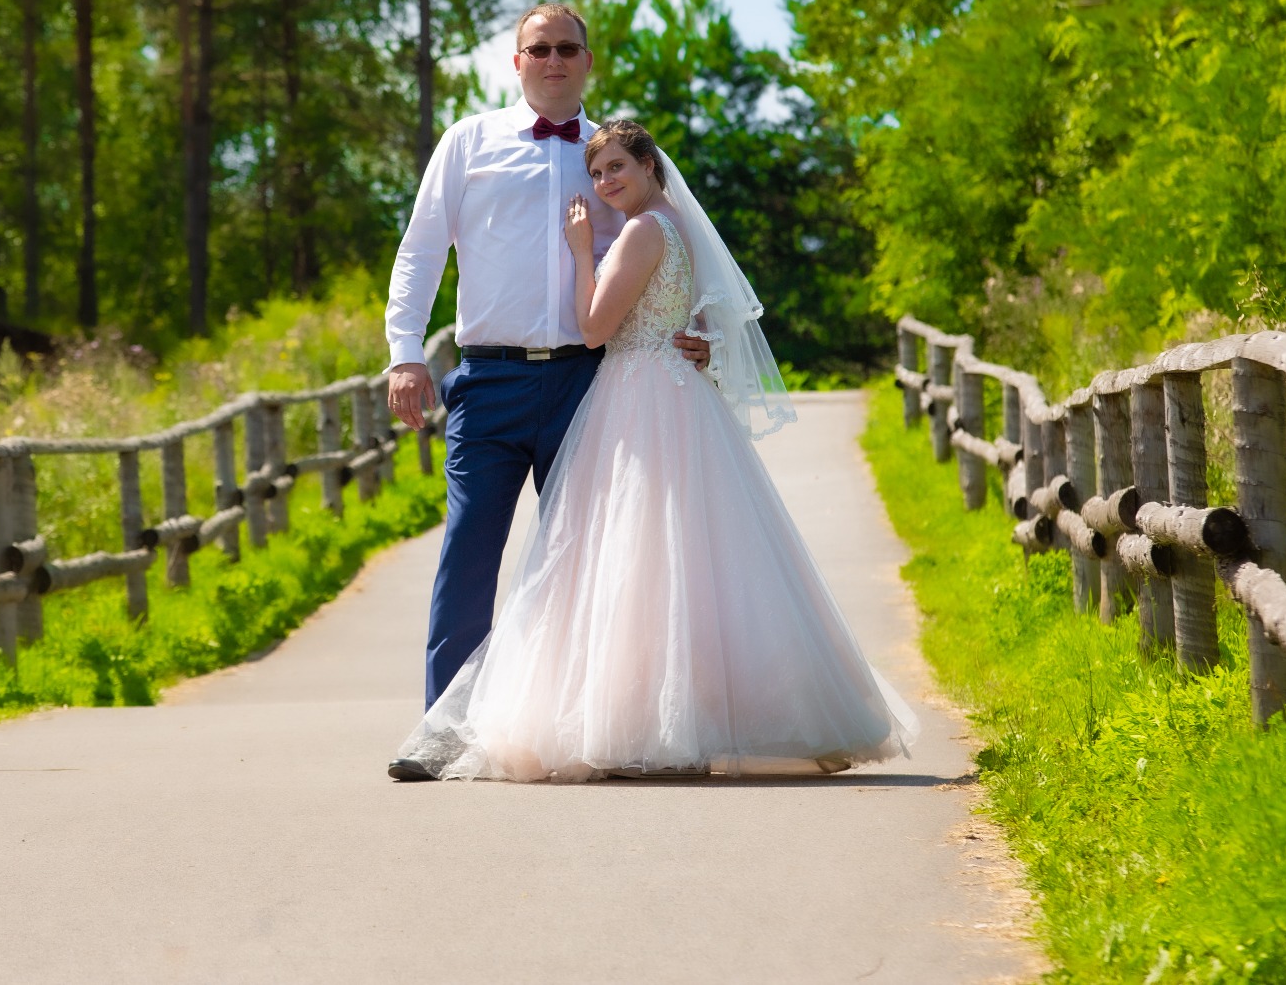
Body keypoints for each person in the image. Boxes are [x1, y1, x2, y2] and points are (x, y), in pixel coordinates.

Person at [392, 117, 917, 781]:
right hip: (628, 388)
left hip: (631, 391)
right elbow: (691, 304)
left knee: (620, 558)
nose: (606, 181)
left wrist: (582, 250)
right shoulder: (663, 220)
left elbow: (594, 326)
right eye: (600, 172)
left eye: (618, 169)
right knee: (666, 560)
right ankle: (648, 713)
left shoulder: (640, 228)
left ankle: (633, 719)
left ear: (649, 166)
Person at [383, 4, 710, 782]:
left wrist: (701, 329)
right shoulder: (468, 142)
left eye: (568, 48)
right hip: (488, 378)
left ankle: (591, 730)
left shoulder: (617, 153)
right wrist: (404, 353)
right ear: (517, 60)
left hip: (589, 382)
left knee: (593, 558)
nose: (554, 59)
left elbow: (677, 244)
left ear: (587, 61)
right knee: (469, 553)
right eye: (540, 48)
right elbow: (420, 251)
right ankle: (445, 731)